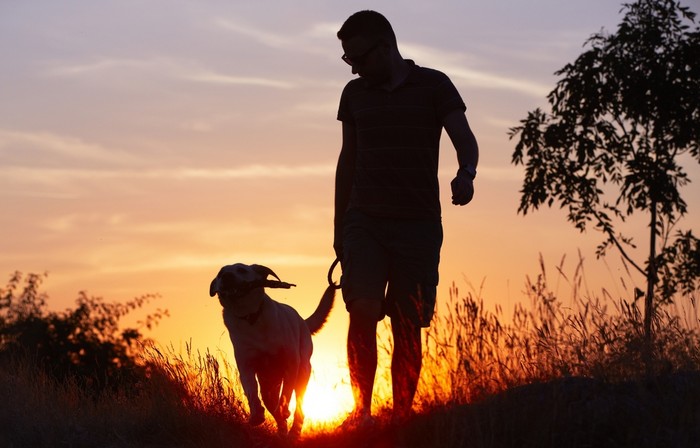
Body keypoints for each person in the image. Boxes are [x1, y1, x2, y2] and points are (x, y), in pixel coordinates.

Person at [333, 10, 480, 429]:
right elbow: (348, 160)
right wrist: (338, 229)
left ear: (385, 45)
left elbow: (465, 140)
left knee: (407, 321)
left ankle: (401, 418)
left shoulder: (435, 85)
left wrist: (465, 174)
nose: (354, 67)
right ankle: (361, 414)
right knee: (360, 309)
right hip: (363, 221)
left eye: (358, 57)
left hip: (417, 224)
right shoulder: (354, 94)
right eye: (348, 60)